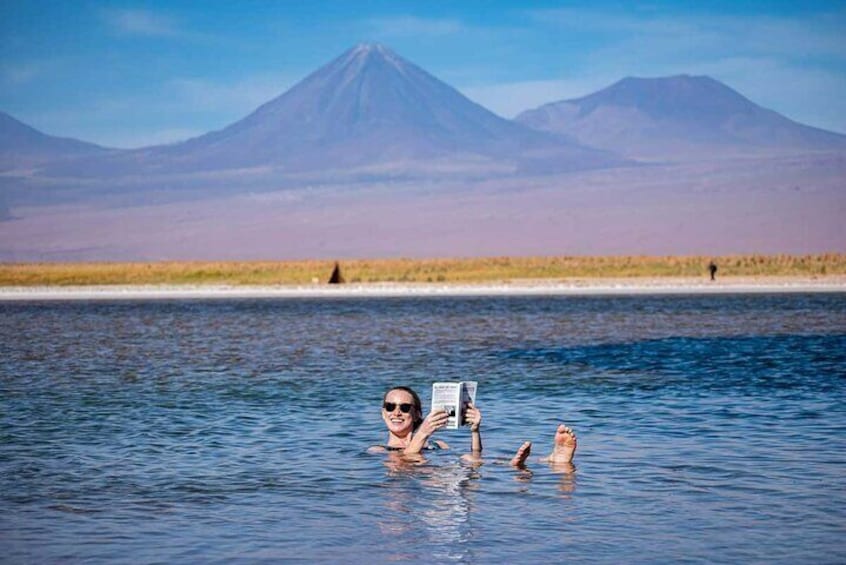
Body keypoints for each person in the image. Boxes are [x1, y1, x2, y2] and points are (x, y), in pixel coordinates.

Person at [370, 386, 577, 468]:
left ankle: (550, 460)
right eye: (390, 406)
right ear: (383, 413)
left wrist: (475, 430)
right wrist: (423, 432)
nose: (396, 412)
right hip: (425, 479)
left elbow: (477, 454)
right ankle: (520, 465)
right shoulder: (378, 450)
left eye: (404, 407)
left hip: (451, 470)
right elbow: (405, 460)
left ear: (417, 414)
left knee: (469, 457)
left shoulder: (437, 444)